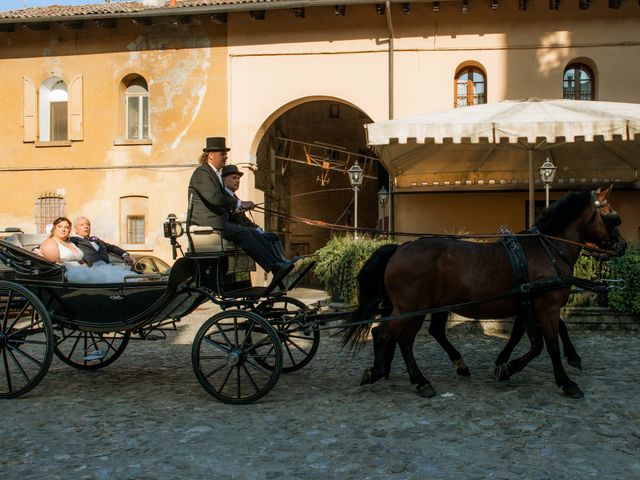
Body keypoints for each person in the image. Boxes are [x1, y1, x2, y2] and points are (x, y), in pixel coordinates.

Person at [188, 137, 294, 275]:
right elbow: (215, 199)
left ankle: (280, 263)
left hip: (218, 221)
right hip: (208, 222)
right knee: (245, 234)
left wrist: (238, 206)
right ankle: (275, 268)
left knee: (251, 232)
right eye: (222, 154)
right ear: (211, 155)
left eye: (225, 154)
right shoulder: (202, 173)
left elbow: (222, 199)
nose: (225, 157)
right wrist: (239, 203)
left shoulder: (214, 174)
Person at [221, 164, 288, 262]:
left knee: (273, 236)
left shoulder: (234, 197)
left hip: (246, 228)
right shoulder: (224, 196)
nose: (237, 181)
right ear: (224, 180)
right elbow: (232, 217)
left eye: (238, 178)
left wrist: (257, 227)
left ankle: (284, 261)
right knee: (265, 237)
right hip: (237, 230)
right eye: (234, 178)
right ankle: (278, 263)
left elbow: (244, 219)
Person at [70, 216, 135, 267]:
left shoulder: (95, 239)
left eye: (88, 224)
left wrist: (125, 255)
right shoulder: (73, 240)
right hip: (91, 270)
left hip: (108, 267)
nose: (86, 226)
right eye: (82, 225)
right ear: (76, 229)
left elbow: (112, 248)